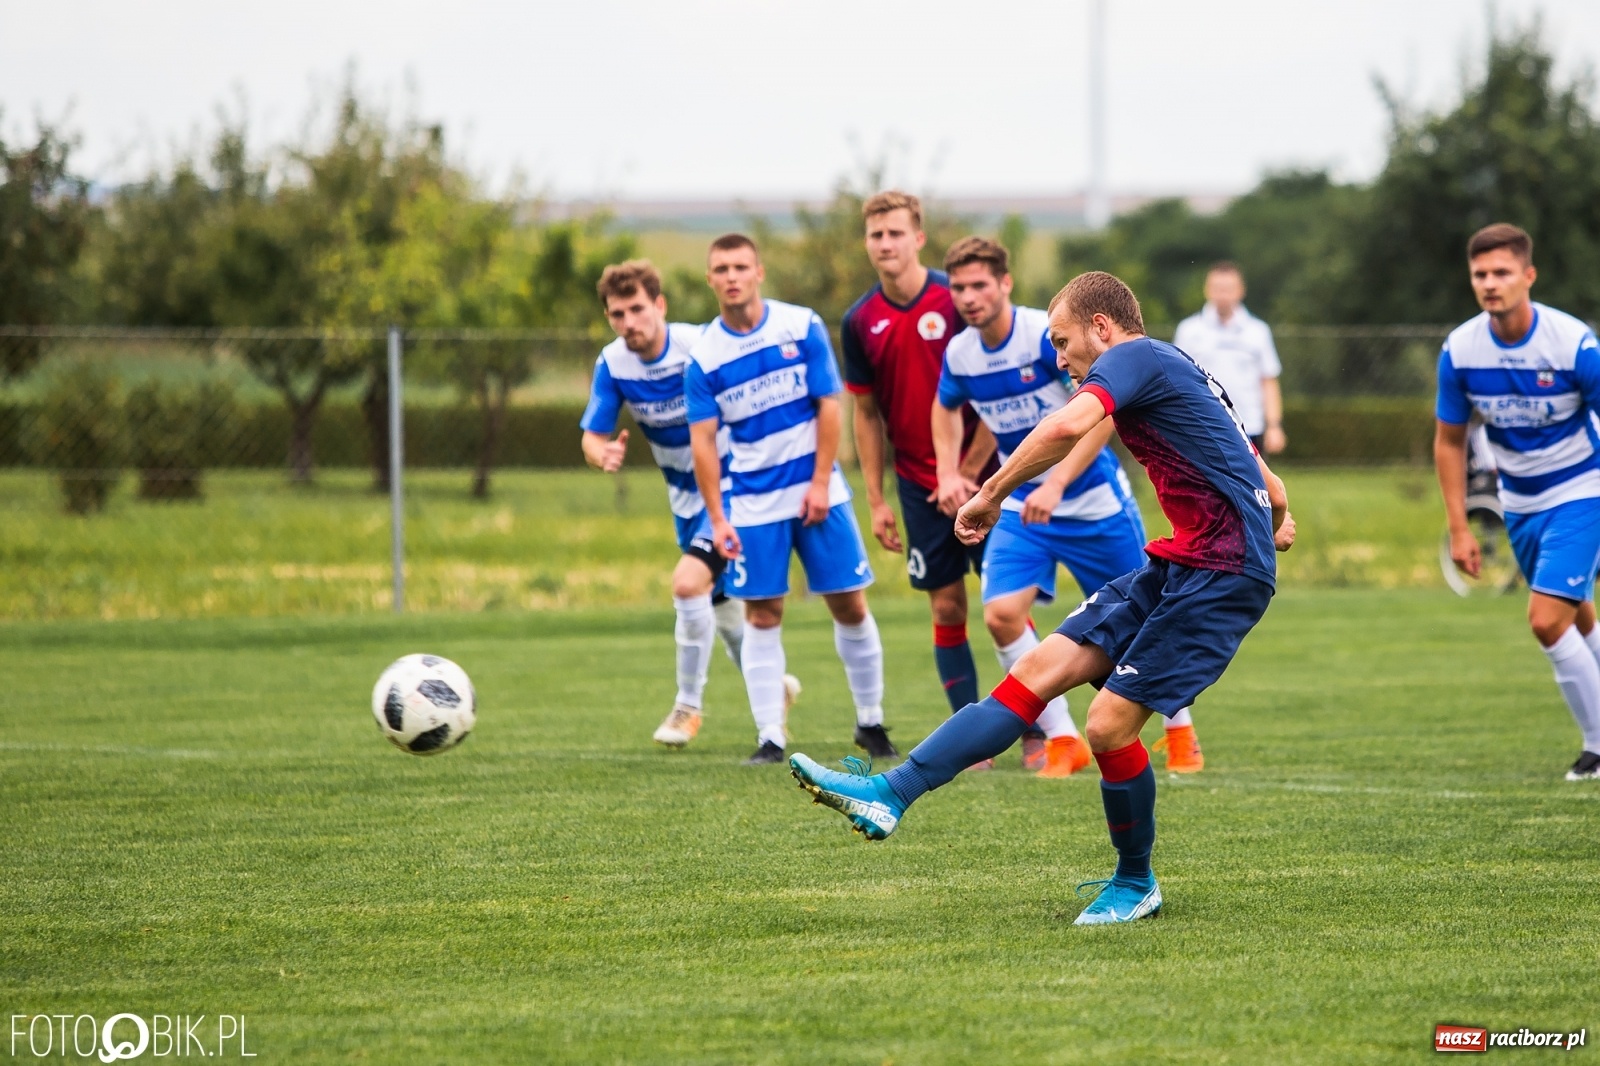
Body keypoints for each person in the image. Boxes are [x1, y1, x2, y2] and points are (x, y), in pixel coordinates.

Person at [790, 271, 1295, 925]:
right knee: (1036, 670)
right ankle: (890, 792)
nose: (1059, 358)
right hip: (1185, 560)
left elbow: (1065, 427)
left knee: (1108, 725)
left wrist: (992, 491)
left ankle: (1136, 880)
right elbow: (1264, 475)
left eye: (1062, 341)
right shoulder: (1175, 366)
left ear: (1102, 329)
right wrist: (1278, 515)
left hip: (1223, 572)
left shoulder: (1134, 358)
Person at [933, 236, 1148, 777]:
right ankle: (1063, 739)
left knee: (1145, 620)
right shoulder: (959, 352)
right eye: (958, 287)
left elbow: (1099, 415)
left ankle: (1180, 732)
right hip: (1023, 502)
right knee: (1002, 614)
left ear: (1005, 284)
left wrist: (1057, 485)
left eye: (979, 284)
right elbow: (945, 408)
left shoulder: (1048, 334)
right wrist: (948, 471)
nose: (968, 296)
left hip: (1093, 501)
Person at [685, 234, 891, 765]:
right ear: (710, 279)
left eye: (740, 266)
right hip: (753, 505)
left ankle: (871, 722)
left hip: (818, 493)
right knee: (762, 614)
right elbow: (703, 444)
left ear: (759, 272)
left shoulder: (799, 326)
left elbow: (830, 404)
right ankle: (770, 735)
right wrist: (717, 517)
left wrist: (821, 482)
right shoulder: (704, 357)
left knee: (849, 603)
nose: (731, 276)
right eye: (720, 268)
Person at [580, 260, 797, 748]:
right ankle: (775, 687)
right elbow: (591, 436)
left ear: (659, 305)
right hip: (683, 498)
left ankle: (687, 707)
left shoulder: (698, 346)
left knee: (687, 584)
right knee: (719, 610)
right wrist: (603, 454)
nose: (629, 322)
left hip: (732, 489)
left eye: (637, 308)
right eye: (618, 314)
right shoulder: (613, 363)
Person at [1435, 223, 1600, 781]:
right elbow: (1450, 440)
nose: (1490, 283)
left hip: (1583, 491)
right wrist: (1459, 527)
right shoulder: (1460, 350)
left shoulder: (1573, 343)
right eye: (1480, 274)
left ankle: (1597, 746)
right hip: (1520, 502)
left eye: (1502, 272)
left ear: (1528, 276)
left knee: (1546, 619)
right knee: (1576, 613)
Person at [842, 192, 1003, 759]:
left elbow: (997, 394)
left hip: (984, 477)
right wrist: (877, 499)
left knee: (1004, 606)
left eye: (894, 232)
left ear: (918, 238)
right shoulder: (860, 321)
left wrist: (962, 472)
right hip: (917, 485)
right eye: (875, 235)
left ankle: (1037, 730)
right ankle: (973, 739)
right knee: (946, 608)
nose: (885, 243)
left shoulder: (958, 297)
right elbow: (865, 414)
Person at [1174, 262, 1286, 455]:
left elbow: (1268, 381)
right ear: (1207, 290)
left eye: (1228, 289)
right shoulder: (1189, 331)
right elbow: (1178, 380)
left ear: (1241, 291)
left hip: (1250, 427)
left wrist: (1274, 426)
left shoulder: (1258, 331)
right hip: (1204, 427)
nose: (1223, 295)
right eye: (1217, 289)